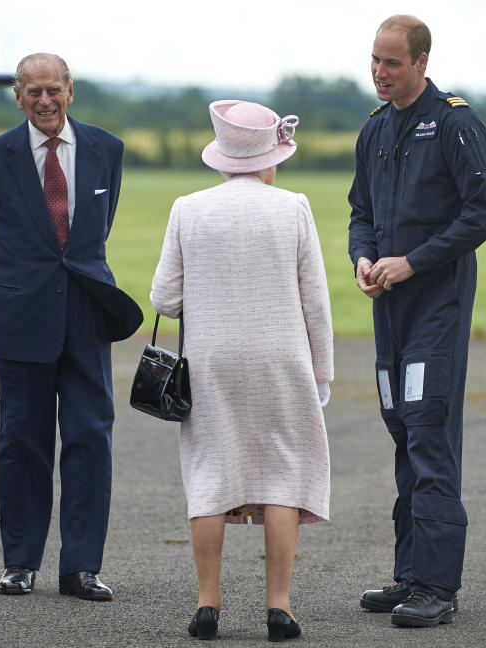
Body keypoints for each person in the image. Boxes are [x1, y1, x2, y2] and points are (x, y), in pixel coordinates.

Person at [0, 53, 143, 601]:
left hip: (87, 315)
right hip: (21, 321)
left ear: (70, 91)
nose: (44, 101)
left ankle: (81, 568)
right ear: (18, 96)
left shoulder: (107, 150)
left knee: (90, 440)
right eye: (33, 91)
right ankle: (20, 563)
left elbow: (95, 232)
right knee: (23, 443)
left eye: (53, 90)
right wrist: (17, 290)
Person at [150, 100, 334, 642]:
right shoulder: (294, 207)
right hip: (283, 360)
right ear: (270, 158)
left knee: (210, 473)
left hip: (211, 361)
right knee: (283, 474)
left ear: (222, 158)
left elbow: (164, 297)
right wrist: (322, 370)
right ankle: (279, 606)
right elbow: (316, 301)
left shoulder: (187, 207)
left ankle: (208, 604)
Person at [347, 15, 486, 628]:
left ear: (422, 61)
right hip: (389, 309)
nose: (380, 73)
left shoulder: (456, 122)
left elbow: (483, 214)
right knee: (402, 429)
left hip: (437, 305)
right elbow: (360, 209)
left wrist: (413, 262)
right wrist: (363, 256)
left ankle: (437, 588)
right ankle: (409, 575)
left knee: (428, 428)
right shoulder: (374, 129)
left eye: (392, 62)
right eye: (375, 61)